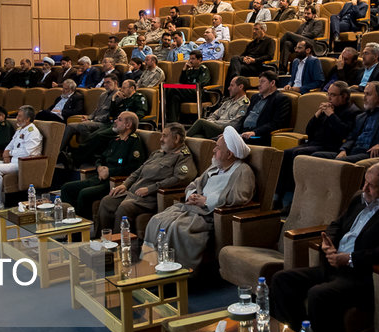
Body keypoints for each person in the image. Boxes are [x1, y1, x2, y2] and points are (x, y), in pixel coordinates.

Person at [270, 161, 379, 332]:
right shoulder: (360, 197)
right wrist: (329, 242)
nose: (364, 188)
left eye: (371, 186)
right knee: (281, 280)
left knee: (318, 294)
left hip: (360, 276)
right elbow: (336, 224)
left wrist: (350, 259)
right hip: (333, 266)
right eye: (364, 182)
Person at [144, 126, 255, 269]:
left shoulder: (242, 171)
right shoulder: (215, 166)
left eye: (218, 148)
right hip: (191, 208)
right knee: (157, 220)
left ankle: (178, 272)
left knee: (177, 228)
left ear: (229, 154)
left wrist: (206, 201)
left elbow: (240, 197)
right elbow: (192, 185)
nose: (214, 150)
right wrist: (193, 196)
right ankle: (152, 265)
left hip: (208, 216)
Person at [95, 123, 197, 235]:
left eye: (164, 136)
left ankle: (119, 245)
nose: (161, 139)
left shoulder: (183, 157)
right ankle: (103, 240)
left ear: (176, 138)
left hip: (150, 198)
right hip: (133, 192)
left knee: (125, 207)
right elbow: (139, 171)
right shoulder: (158, 153)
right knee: (107, 201)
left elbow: (180, 179)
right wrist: (125, 184)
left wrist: (150, 188)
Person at [274, 81, 358, 209]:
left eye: (333, 95)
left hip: (331, 146)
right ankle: (278, 195)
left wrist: (331, 115)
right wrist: (317, 115)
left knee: (298, 154)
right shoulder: (328, 108)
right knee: (287, 153)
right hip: (315, 143)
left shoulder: (352, 111)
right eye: (328, 94)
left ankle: (291, 198)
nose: (329, 98)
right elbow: (309, 131)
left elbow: (344, 133)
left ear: (344, 96)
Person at [58, 112, 148, 219]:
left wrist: (110, 171)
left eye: (119, 119)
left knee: (84, 193)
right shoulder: (115, 139)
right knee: (66, 188)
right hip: (99, 178)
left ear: (128, 125)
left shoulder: (134, 142)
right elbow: (100, 157)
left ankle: (82, 226)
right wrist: (99, 167)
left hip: (113, 182)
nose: (115, 121)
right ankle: (70, 221)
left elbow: (134, 168)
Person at [233, 71, 292, 146]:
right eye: (259, 82)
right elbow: (245, 117)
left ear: (272, 83)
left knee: (228, 144)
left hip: (260, 135)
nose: (259, 85)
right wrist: (233, 132)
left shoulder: (281, 99)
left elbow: (276, 123)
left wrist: (255, 132)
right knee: (219, 140)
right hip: (244, 132)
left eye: (262, 82)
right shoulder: (255, 97)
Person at [223, 22, 275, 89]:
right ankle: (236, 81)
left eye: (256, 29)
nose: (254, 31)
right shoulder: (251, 43)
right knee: (235, 59)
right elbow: (242, 55)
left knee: (233, 67)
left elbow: (269, 56)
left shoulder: (270, 41)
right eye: (253, 29)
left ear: (263, 30)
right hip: (247, 65)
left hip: (258, 66)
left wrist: (254, 60)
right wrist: (244, 58)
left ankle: (232, 87)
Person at [163, 50, 210, 124]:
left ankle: (163, 111)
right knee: (174, 97)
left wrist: (187, 87)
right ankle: (173, 123)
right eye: (190, 58)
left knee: (173, 87)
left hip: (198, 93)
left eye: (193, 59)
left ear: (199, 59)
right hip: (188, 92)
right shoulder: (190, 69)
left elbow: (202, 83)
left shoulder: (203, 69)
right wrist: (184, 70)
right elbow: (182, 82)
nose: (190, 61)